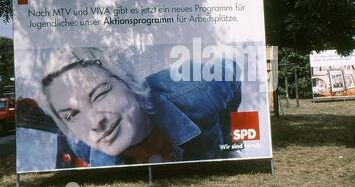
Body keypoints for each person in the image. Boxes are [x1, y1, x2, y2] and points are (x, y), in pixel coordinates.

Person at [39, 47, 242, 167]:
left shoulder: (199, 91)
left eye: (100, 94)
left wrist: (227, 142)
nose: (94, 122)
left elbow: (228, 70)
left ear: (131, 83)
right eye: (72, 115)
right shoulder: (82, 145)